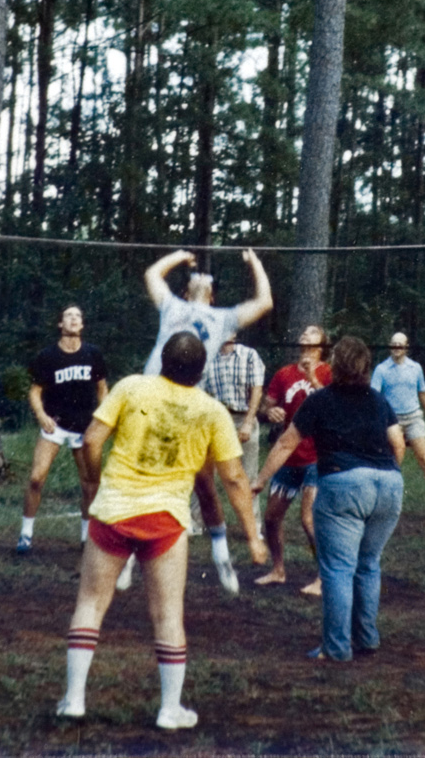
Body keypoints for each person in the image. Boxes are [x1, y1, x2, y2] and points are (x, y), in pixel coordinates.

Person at [55, 333, 267, 730]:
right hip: (166, 522)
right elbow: (235, 479)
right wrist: (253, 537)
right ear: (201, 372)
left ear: (162, 362)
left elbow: (92, 440)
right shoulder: (212, 411)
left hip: (113, 514)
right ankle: (170, 709)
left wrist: (98, 483)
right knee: (168, 615)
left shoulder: (131, 386)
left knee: (89, 605)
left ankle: (74, 699)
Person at [129, 248, 272, 595]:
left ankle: (222, 554)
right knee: (139, 477)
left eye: (205, 279)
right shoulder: (172, 307)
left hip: (188, 403)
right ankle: (130, 556)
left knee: (206, 484)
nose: (200, 277)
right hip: (152, 396)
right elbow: (152, 275)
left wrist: (255, 263)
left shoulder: (223, 318)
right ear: (187, 290)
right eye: (194, 277)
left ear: (211, 294)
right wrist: (179, 256)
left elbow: (264, 301)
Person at [255, 336, 405, 662]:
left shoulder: (321, 400)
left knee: (337, 568)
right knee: (368, 565)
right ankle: (366, 639)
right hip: (390, 484)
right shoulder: (379, 401)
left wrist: (261, 480)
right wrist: (386, 473)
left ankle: (336, 648)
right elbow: (399, 443)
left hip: (343, 484)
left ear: (335, 366)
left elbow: (285, 444)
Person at [16, 305, 108, 554]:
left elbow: (102, 388)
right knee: (36, 478)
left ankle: (86, 538)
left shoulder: (92, 354)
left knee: (90, 483)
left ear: (82, 324)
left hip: (84, 426)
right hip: (56, 424)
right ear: (60, 324)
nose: (74, 319)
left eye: (78, 315)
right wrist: (41, 415)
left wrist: (103, 418)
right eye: (69, 315)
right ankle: (25, 536)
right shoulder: (48, 356)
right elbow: (35, 392)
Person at [254, 325, 333, 594]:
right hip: (289, 457)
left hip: (318, 456)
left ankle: (324, 577)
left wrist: (312, 377)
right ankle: (278, 570)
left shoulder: (329, 372)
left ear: (322, 344)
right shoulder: (284, 373)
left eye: (313, 331)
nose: (305, 333)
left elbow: (334, 403)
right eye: (304, 330)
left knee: (308, 518)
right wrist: (271, 411)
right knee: (271, 517)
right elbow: (267, 404)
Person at [370, 333, 425, 514]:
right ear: (390, 346)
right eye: (393, 344)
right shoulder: (382, 370)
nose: (397, 348)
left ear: (406, 347)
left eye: (400, 345)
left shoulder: (415, 368)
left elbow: (423, 393)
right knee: (393, 460)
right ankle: (384, 501)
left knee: (424, 458)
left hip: (414, 417)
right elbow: (374, 397)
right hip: (392, 421)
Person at [199, 332, 266, 528]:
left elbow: (257, 390)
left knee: (247, 475)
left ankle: (252, 526)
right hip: (216, 420)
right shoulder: (207, 358)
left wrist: (248, 421)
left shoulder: (249, 355)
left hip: (244, 416)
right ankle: (198, 523)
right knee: (203, 474)